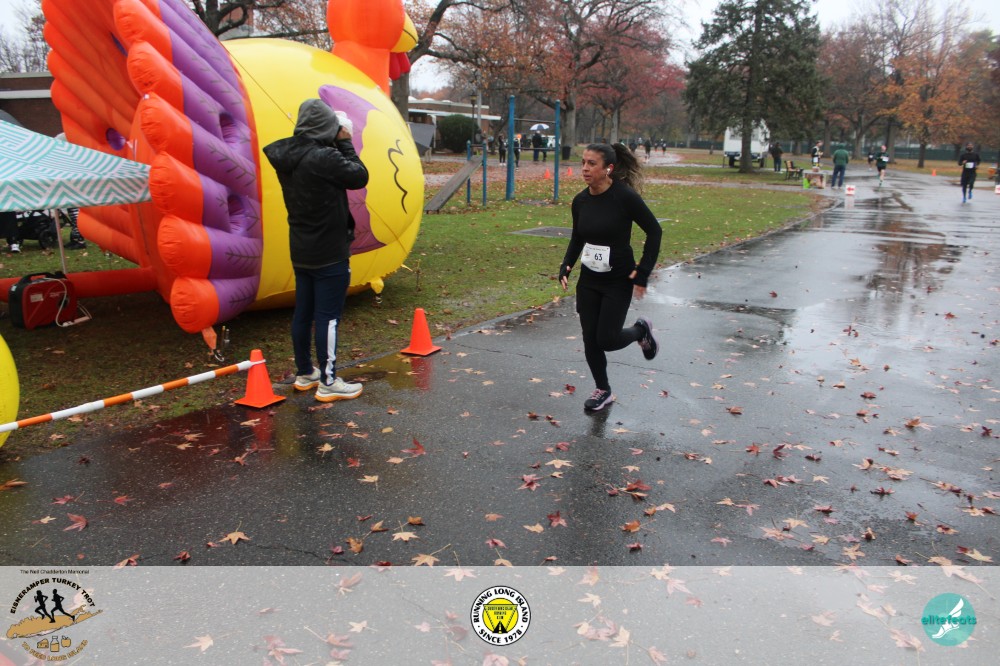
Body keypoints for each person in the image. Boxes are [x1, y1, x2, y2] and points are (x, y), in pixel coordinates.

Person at [263, 99, 369, 403]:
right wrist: (345, 141)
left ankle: (305, 372)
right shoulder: (323, 157)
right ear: (326, 127)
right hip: (330, 249)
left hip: (302, 247)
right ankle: (329, 381)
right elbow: (359, 176)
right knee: (328, 316)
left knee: (304, 312)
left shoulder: (288, 154)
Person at [558, 143, 662, 412]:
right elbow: (578, 237)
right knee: (590, 339)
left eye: (592, 163)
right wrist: (567, 264)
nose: (584, 168)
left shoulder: (624, 197)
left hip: (618, 280)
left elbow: (654, 231)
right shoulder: (580, 201)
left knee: (606, 339)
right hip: (589, 279)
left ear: (609, 168)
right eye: (583, 162)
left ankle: (641, 330)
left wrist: (643, 271)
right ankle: (603, 389)